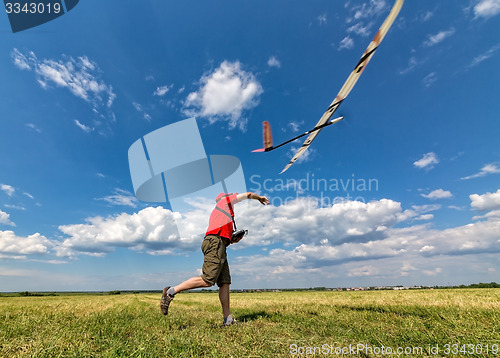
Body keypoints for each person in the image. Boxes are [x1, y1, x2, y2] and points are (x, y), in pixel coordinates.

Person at [160, 191, 269, 326]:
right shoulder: (225, 203)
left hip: (220, 244)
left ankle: (227, 320)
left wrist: (233, 239)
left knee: (224, 282)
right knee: (208, 279)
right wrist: (259, 198)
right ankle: (170, 292)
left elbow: (223, 235)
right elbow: (248, 194)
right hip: (215, 243)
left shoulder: (224, 215)